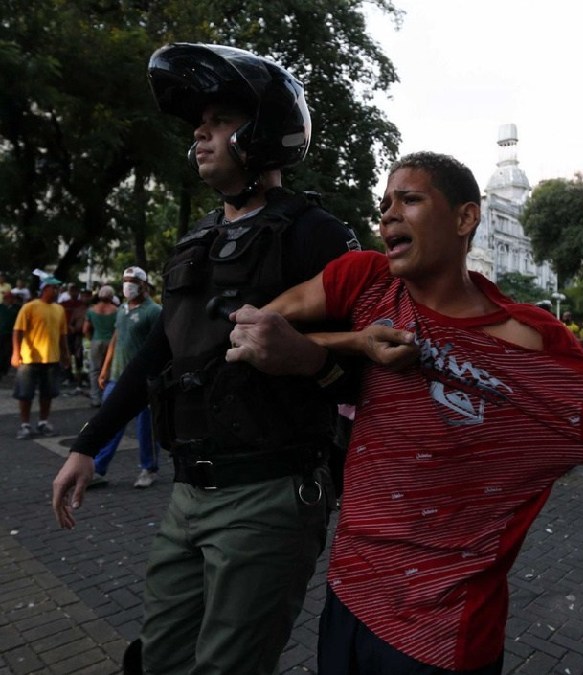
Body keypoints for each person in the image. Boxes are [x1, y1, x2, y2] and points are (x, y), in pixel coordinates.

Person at [227, 151, 583, 674]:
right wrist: (356, 343)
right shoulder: (367, 283)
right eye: (385, 202)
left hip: (442, 637)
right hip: (347, 599)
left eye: (409, 199)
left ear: (465, 218)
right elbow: (254, 327)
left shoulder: (530, 342)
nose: (388, 214)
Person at [51, 43, 360, 674]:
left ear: (265, 131)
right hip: (187, 492)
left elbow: (372, 371)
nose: (200, 131)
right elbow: (160, 351)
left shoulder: (315, 235)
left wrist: (305, 358)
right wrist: (89, 443)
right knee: (160, 657)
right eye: (200, 121)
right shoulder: (197, 238)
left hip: (270, 493)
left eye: (220, 119)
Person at [89, 267, 162, 487]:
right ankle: (98, 470)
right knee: (108, 423)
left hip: (143, 380)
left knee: (146, 428)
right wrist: (105, 368)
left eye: (131, 281)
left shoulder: (154, 311)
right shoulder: (121, 309)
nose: (127, 285)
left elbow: (161, 345)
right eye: (124, 281)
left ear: (143, 284)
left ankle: (148, 469)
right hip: (116, 377)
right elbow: (116, 337)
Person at [11, 275, 68, 439]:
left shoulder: (59, 309)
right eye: (53, 288)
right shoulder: (29, 307)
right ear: (44, 289)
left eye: (57, 288)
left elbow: (63, 335)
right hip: (29, 359)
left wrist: (65, 354)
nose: (56, 291)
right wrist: (16, 353)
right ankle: (25, 425)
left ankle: (43, 422)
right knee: (25, 394)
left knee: (47, 393)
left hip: (51, 358)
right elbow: (18, 331)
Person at [83, 285, 118, 406]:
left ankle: (95, 398)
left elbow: (85, 329)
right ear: (111, 296)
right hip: (111, 342)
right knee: (108, 369)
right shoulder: (116, 310)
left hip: (96, 340)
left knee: (94, 370)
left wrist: (90, 339)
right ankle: (107, 396)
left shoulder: (91, 310)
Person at [0, 291, 20, 378]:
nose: (8, 300)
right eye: (6, 298)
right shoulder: (1, 307)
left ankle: (5, 368)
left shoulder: (17, 308)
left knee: (8, 352)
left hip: (11, 334)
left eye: (10, 298)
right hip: (1, 333)